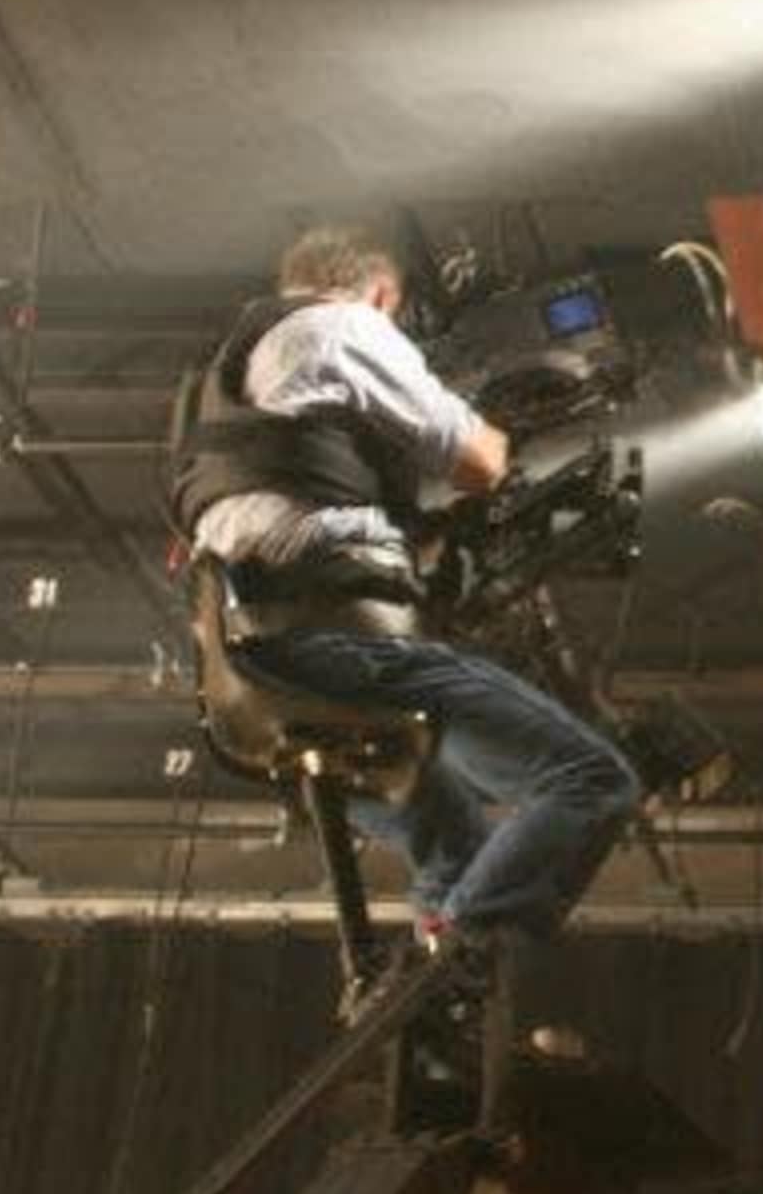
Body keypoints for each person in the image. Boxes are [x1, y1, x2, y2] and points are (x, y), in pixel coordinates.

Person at [168, 225, 639, 1049]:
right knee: (588, 779)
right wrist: (494, 422)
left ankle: (436, 1025)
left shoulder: (215, 388)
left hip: (248, 690)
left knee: (456, 844)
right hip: (336, 648)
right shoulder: (342, 326)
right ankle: (450, 969)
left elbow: (313, 506)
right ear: (380, 293)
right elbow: (481, 462)